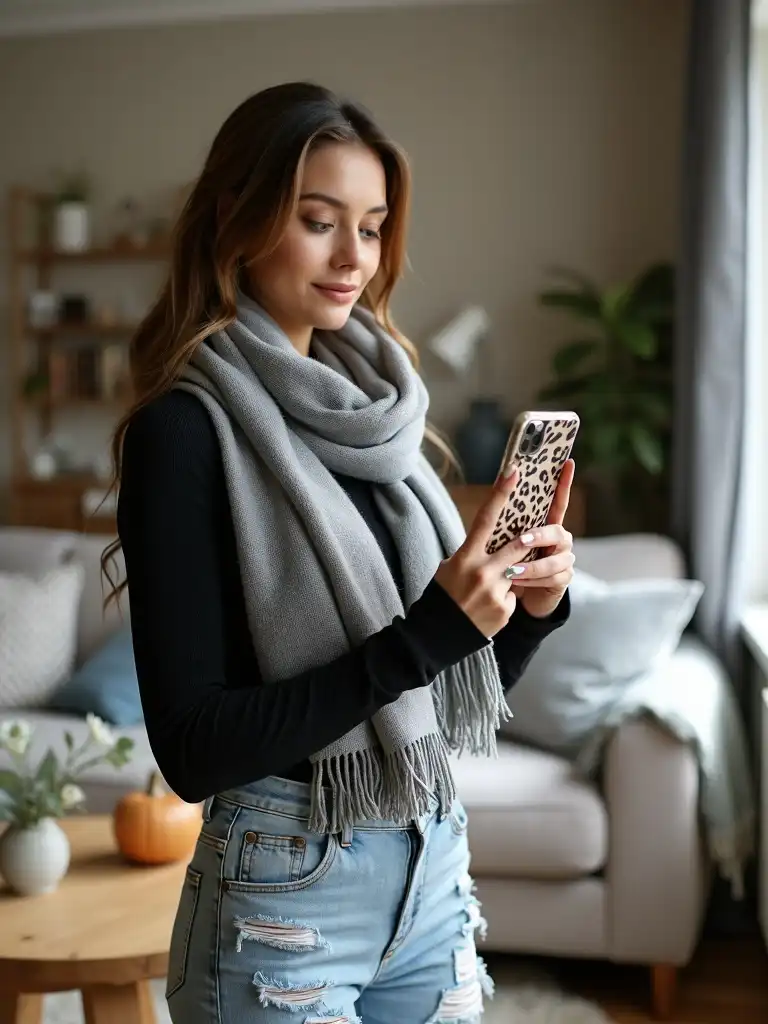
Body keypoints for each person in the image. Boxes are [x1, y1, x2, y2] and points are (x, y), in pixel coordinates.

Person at [108, 81, 575, 1024]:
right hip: (286, 889)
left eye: (371, 225)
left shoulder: (383, 419)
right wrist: (430, 632)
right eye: (319, 220)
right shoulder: (184, 434)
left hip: (434, 866)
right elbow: (195, 749)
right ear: (236, 220)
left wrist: (527, 607)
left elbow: (448, 694)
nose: (354, 256)